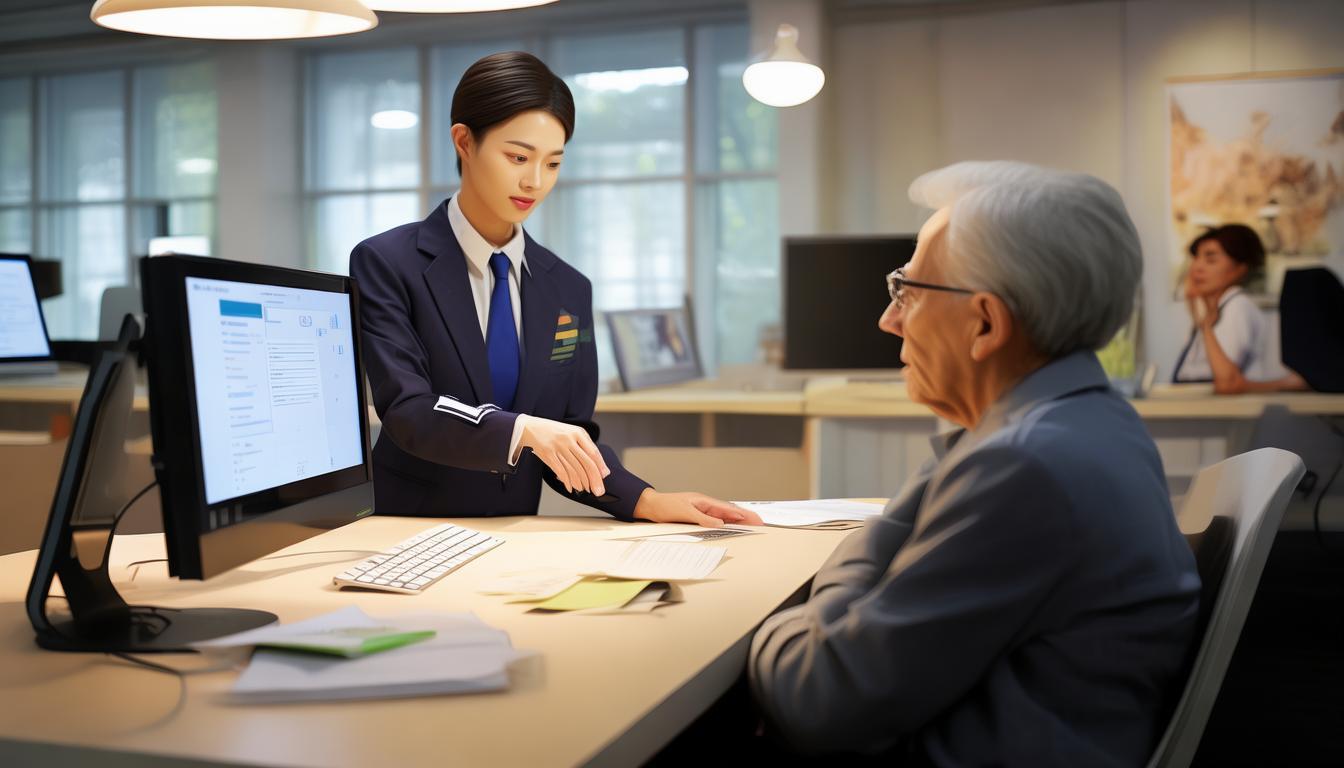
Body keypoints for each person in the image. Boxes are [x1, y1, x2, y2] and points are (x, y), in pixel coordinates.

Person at [748, 161, 1201, 765]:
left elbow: (817, 695)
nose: (889, 320)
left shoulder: (1027, 466)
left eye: (908, 292)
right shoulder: (1084, 423)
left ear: (985, 323)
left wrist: (768, 624)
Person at [350, 52, 758, 528]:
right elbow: (407, 411)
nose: (535, 181)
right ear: (464, 141)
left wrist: (646, 500)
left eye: (553, 162)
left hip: (514, 533)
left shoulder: (567, 287)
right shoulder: (387, 262)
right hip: (403, 529)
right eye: (518, 157)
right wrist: (523, 430)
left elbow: (569, 436)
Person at [1173, 223, 1307, 393]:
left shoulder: (1237, 306)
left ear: (1240, 268)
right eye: (1196, 258)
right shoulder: (1214, 311)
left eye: (1211, 260)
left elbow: (1227, 382)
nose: (1197, 268)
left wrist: (1206, 326)